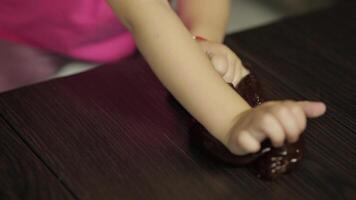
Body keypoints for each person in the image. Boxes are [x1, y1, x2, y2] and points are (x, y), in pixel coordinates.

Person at [0, 0, 326, 155]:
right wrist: (233, 119)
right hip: (29, 32)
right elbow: (145, 15)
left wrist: (201, 41)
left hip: (128, 31)